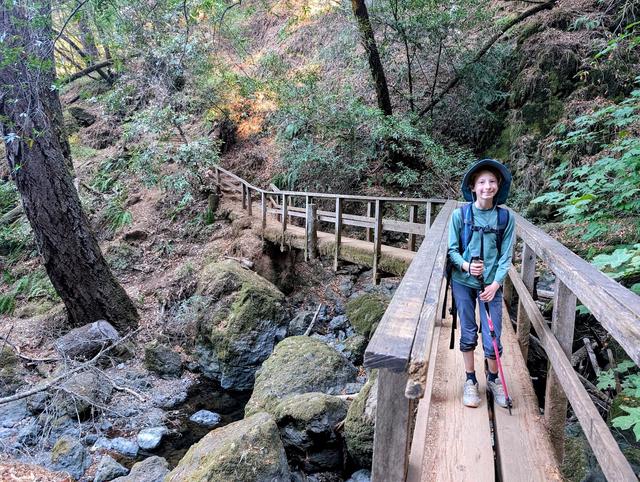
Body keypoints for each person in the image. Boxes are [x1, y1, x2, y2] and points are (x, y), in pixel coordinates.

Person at [447, 159, 515, 408]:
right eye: (482, 182)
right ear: (473, 187)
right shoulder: (460, 215)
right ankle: (470, 381)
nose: (488, 186)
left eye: (492, 182)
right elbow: (452, 251)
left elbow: (506, 257)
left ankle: (494, 380)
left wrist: (496, 284)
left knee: (493, 337)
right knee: (467, 332)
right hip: (463, 282)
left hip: (491, 286)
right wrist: (466, 265)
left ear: (498, 186)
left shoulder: (505, 218)